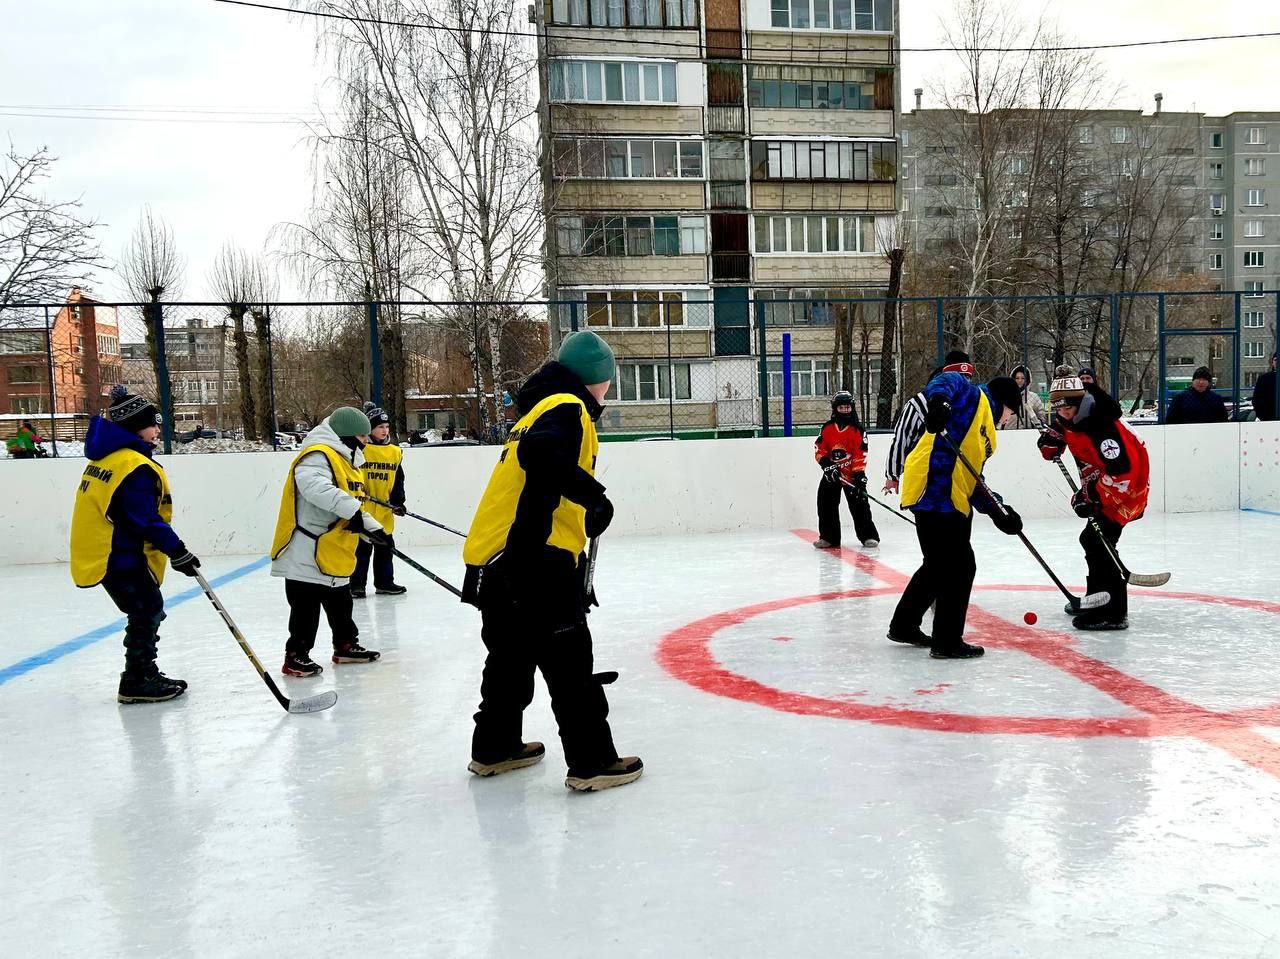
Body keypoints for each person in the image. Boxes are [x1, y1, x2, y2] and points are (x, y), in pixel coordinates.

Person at [462, 330, 642, 793]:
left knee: (510, 660)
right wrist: (594, 498)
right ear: (597, 379)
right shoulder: (568, 406)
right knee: (569, 665)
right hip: (534, 563)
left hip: (496, 563)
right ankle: (592, 761)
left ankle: (494, 747)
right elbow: (540, 455)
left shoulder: (535, 411)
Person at [70, 385, 201, 703]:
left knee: (147, 608)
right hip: (116, 554)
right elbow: (142, 518)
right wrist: (177, 550)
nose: (158, 430)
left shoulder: (112, 458)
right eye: (152, 423)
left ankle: (143, 673)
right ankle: (137, 679)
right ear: (134, 426)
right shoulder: (132, 466)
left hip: (111, 551)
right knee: (146, 609)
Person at [887, 372, 1024, 659]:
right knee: (960, 567)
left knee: (937, 565)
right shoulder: (973, 397)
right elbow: (947, 380)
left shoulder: (989, 438)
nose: (1009, 419)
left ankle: (904, 625)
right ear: (1005, 402)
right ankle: (947, 641)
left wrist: (1000, 512)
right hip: (934, 489)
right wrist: (940, 403)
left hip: (953, 497)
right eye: (1012, 411)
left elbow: (975, 481)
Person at [270, 406, 385, 677]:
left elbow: (347, 497)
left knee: (340, 602)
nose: (367, 441)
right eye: (362, 436)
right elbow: (317, 489)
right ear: (346, 435)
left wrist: (366, 527)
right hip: (305, 548)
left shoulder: (345, 458)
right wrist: (357, 515)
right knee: (305, 608)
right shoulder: (317, 455)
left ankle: (345, 645)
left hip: (332, 546)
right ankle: (296, 656)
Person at [1038, 368, 1149, 630]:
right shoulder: (1076, 416)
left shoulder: (1102, 427)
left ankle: (1112, 611)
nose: (1064, 414)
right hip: (1105, 486)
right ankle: (1098, 599)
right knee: (1093, 539)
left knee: (1099, 541)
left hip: (1126, 491)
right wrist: (1054, 436)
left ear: (1080, 401)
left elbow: (1122, 471)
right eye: (1058, 409)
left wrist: (1091, 496)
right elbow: (1067, 427)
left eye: (1068, 408)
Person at [884, 351, 974, 494]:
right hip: (926, 476)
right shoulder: (921, 402)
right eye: (959, 377)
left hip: (958, 477)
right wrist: (892, 475)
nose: (964, 382)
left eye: (968, 378)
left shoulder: (972, 404)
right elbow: (902, 439)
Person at [350, 402, 407, 598]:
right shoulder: (361, 450)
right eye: (379, 427)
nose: (384, 430)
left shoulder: (394, 452)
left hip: (384, 510)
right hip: (363, 508)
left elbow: (398, 479)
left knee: (385, 548)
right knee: (361, 551)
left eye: (387, 426)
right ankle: (356, 585)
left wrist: (398, 502)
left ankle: (384, 582)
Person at [813, 390, 880, 549]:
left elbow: (860, 453)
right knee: (825, 503)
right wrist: (827, 465)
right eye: (841, 407)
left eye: (847, 407)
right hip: (832, 475)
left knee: (860, 504)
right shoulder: (827, 428)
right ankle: (829, 537)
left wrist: (859, 475)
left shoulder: (858, 430)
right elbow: (819, 448)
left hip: (851, 475)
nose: (845, 410)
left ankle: (868, 535)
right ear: (835, 408)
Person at [998, 364, 1046, 430]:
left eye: (1023, 378)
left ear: (1027, 380)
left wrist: (1032, 416)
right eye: (1017, 378)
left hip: (1029, 433)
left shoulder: (1034, 397)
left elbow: (1042, 419)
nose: (1020, 381)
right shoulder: (1005, 396)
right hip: (1009, 434)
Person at [1252, 354, 1277, 422]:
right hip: (1268, 416)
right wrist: (1261, 415)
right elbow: (1256, 398)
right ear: (1272, 362)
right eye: (1276, 360)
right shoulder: (1264, 378)